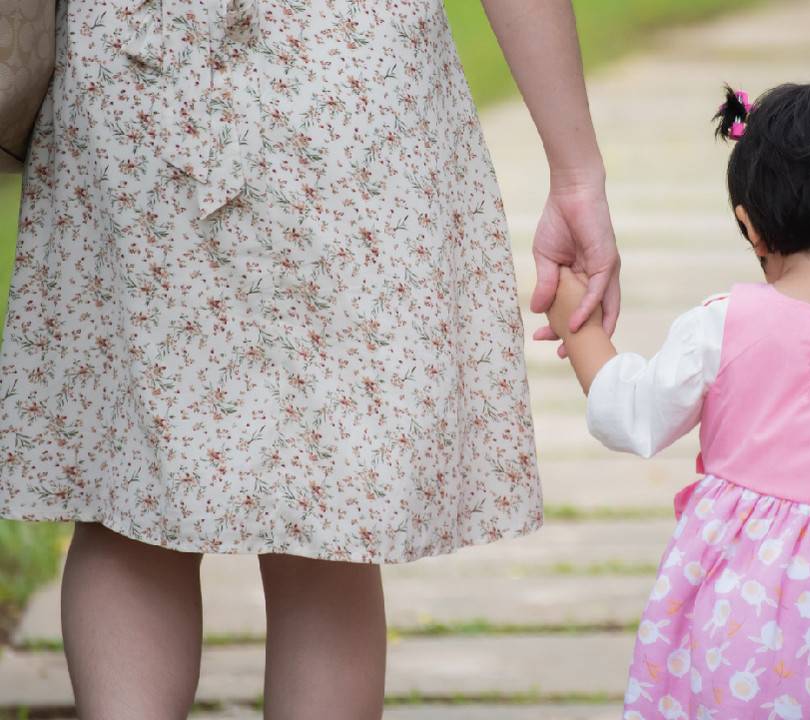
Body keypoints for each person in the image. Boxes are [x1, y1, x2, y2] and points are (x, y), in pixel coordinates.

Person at [0, 0, 617, 717]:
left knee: (131, 503)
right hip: (340, 78)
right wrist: (576, 174)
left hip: (140, 68)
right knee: (326, 514)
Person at [544, 52, 810, 718]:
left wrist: (574, 319)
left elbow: (629, 415)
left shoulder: (722, 325)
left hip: (731, 631)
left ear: (749, 225)